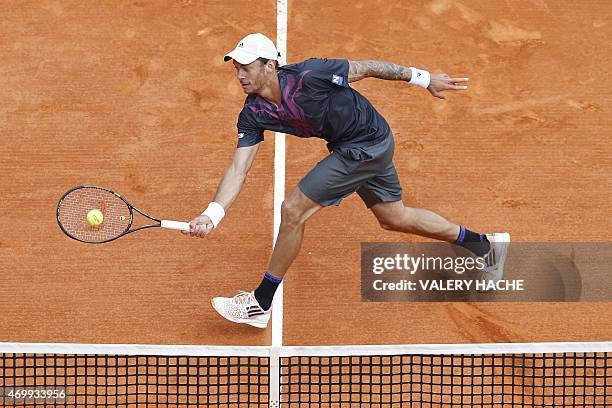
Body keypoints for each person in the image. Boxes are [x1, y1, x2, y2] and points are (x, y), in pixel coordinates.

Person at [186, 33, 510, 328]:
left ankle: (261, 302)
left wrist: (424, 80)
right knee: (394, 218)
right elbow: (238, 169)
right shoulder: (254, 112)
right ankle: (485, 245)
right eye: (237, 68)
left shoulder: (311, 75)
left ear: (269, 66)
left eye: (246, 67)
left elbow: (367, 67)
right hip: (355, 145)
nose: (240, 75)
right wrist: (212, 213)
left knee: (292, 210)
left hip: (366, 145)